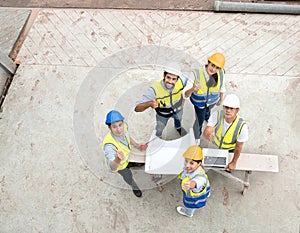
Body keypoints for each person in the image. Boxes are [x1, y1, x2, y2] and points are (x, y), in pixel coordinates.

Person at [102, 110, 148, 197]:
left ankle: (132, 164)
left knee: (138, 162)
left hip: (127, 158)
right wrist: (118, 159)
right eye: (114, 127)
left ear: (123, 123)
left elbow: (128, 137)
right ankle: (134, 187)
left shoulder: (125, 127)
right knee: (128, 177)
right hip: (121, 166)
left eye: (120, 125)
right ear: (109, 128)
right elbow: (112, 167)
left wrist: (137, 145)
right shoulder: (109, 145)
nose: (119, 130)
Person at [134, 62, 188, 138]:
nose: (170, 81)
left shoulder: (182, 81)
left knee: (178, 120)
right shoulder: (154, 89)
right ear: (164, 76)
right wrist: (149, 103)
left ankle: (178, 128)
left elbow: (191, 78)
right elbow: (137, 108)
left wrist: (184, 99)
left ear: (177, 79)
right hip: (163, 116)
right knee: (159, 128)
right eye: (168, 77)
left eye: (173, 79)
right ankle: (158, 137)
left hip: (178, 111)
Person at [183, 53, 226, 142]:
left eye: (217, 67)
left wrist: (220, 99)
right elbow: (185, 94)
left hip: (212, 102)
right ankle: (197, 138)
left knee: (208, 111)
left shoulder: (221, 74)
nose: (213, 69)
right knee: (199, 121)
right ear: (208, 62)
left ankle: (207, 116)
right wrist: (193, 88)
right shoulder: (195, 74)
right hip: (200, 104)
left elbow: (222, 87)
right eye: (212, 65)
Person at [203, 94, 248, 171]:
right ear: (223, 107)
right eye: (226, 107)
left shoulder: (242, 126)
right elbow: (207, 130)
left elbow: (238, 146)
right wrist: (208, 133)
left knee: (227, 165)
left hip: (230, 149)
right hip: (216, 146)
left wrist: (233, 162)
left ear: (237, 110)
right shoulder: (217, 115)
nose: (228, 110)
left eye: (231, 108)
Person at [176, 145, 210, 218]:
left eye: (191, 163)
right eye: (186, 161)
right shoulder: (198, 169)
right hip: (204, 189)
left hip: (194, 198)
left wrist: (190, 184)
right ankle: (207, 194)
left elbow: (196, 182)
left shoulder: (200, 178)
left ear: (199, 163)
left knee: (190, 206)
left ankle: (188, 213)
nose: (187, 165)